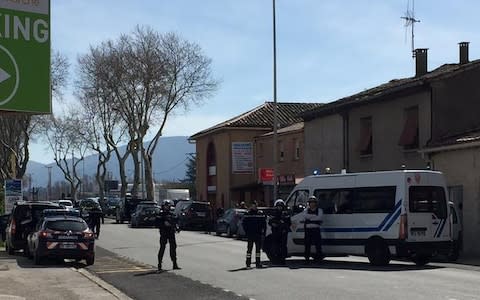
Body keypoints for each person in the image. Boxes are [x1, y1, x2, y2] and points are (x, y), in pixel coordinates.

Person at [156, 199, 180, 271]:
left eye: (168, 206)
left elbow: (175, 222)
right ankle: (159, 264)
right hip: (164, 233)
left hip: (171, 233)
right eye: (166, 206)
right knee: (162, 247)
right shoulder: (160, 215)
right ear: (163, 206)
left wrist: (177, 227)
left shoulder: (172, 214)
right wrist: (163, 224)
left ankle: (174, 263)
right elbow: (156, 223)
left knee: (173, 247)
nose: (167, 207)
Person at [241, 201, 266, 268]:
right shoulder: (248, 214)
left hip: (258, 234)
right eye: (252, 205)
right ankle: (248, 263)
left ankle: (258, 263)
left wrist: (263, 232)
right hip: (250, 234)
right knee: (249, 250)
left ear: (256, 205)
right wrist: (247, 232)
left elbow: (264, 223)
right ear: (251, 206)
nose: (253, 207)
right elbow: (244, 224)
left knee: (258, 250)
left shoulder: (260, 213)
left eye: (255, 205)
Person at [268, 199, 291, 265]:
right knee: (275, 246)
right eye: (278, 206)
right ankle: (275, 260)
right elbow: (270, 222)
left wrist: (283, 225)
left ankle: (282, 260)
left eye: (281, 206)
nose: (279, 207)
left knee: (283, 246)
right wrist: (274, 224)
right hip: (275, 232)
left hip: (283, 232)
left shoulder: (286, 213)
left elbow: (289, 223)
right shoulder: (273, 213)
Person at [303, 195, 324, 264]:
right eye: (311, 202)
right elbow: (305, 216)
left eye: (313, 202)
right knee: (307, 245)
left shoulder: (319, 210)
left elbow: (319, 218)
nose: (312, 203)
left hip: (316, 229)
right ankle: (307, 259)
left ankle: (319, 259)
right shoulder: (306, 210)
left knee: (318, 245)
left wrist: (310, 218)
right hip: (308, 230)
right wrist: (314, 217)